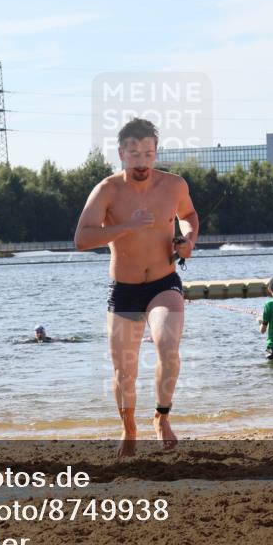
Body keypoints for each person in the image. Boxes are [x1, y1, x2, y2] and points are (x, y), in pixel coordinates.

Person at [74, 118, 199, 456]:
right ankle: (129, 428)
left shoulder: (173, 185)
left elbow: (189, 215)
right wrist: (126, 226)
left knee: (168, 347)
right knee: (124, 369)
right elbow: (82, 238)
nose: (142, 162)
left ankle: (161, 417)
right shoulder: (107, 190)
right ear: (121, 154)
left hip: (164, 282)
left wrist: (188, 240)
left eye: (148, 154)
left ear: (156, 153)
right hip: (125, 289)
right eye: (134, 154)